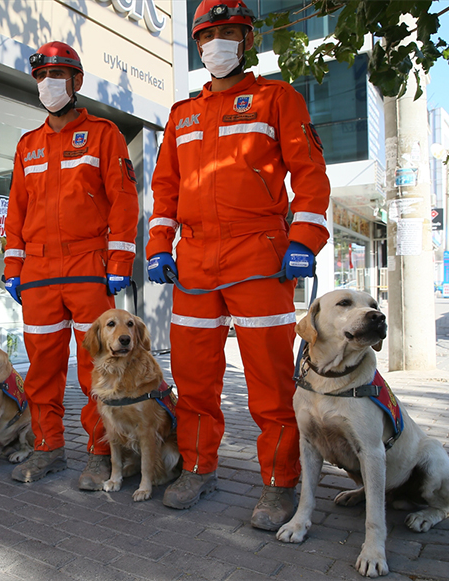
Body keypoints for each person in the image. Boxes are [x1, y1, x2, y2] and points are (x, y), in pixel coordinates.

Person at [146, 0, 330, 531]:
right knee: (195, 376)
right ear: (198, 46)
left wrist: (304, 238)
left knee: (269, 380)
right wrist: (159, 244)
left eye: (229, 33)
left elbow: (310, 175)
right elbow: (165, 190)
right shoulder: (182, 115)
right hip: (196, 262)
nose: (217, 44)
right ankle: (199, 467)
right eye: (208, 35)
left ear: (246, 41)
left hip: (260, 257)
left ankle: (278, 482)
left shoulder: (278, 98)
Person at [4, 42, 140, 487]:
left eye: (58, 75)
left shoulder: (105, 134)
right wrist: (12, 268)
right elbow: (16, 214)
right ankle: (47, 448)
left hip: (88, 268)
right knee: (42, 370)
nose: (49, 84)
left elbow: (123, 201)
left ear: (77, 82)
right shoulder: (27, 145)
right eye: (42, 76)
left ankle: (101, 454)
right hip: (39, 275)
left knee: (97, 370)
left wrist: (120, 260)